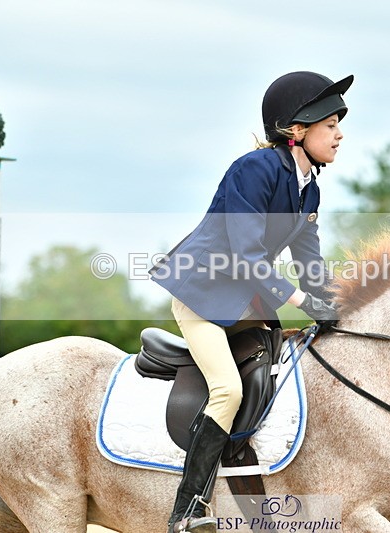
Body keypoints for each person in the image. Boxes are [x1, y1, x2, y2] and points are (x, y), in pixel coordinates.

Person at [150, 71, 352, 533]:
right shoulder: (254, 169)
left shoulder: (309, 188)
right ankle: (188, 510)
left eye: (340, 124)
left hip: (247, 302)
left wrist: (338, 299)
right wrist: (303, 300)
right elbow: (245, 255)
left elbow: (309, 261)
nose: (340, 134)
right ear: (295, 130)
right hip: (204, 296)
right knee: (228, 390)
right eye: (330, 125)